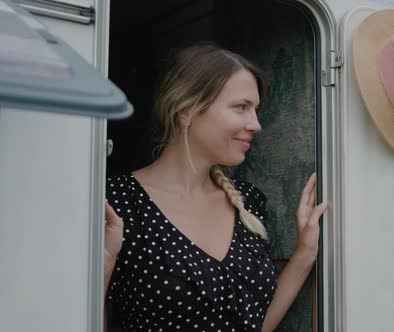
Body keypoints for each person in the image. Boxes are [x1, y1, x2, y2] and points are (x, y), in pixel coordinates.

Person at [103, 43, 328, 332]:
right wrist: (103, 267)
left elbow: (254, 325)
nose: (256, 124)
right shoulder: (119, 202)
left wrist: (305, 253)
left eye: (255, 109)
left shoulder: (247, 201)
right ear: (186, 110)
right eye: (241, 107)